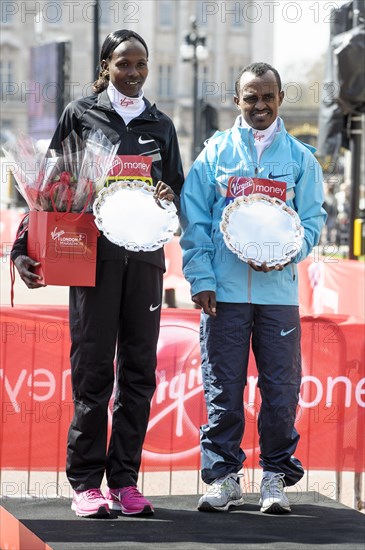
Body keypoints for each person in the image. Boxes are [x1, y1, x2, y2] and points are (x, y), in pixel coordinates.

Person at [11, 30, 184, 518]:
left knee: (139, 375)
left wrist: (169, 197)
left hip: (146, 263)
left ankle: (125, 482)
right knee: (92, 375)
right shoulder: (80, 114)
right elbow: (49, 188)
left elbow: (176, 189)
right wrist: (23, 248)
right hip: (93, 263)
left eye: (141, 65)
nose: (133, 73)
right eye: (124, 64)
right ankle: (86, 483)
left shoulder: (162, 125)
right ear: (107, 64)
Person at [180, 62, 326, 514]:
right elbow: (195, 220)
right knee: (222, 389)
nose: (259, 105)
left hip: (277, 296)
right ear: (236, 100)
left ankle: (275, 479)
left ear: (280, 97)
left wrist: (291, 248)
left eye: (268, 96)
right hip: (222, 295)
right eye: (250, 97)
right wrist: (202, 278)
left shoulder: (301, 159)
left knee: (280, 392)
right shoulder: (216, 153)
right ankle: (224, 478)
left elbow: (314, 220)